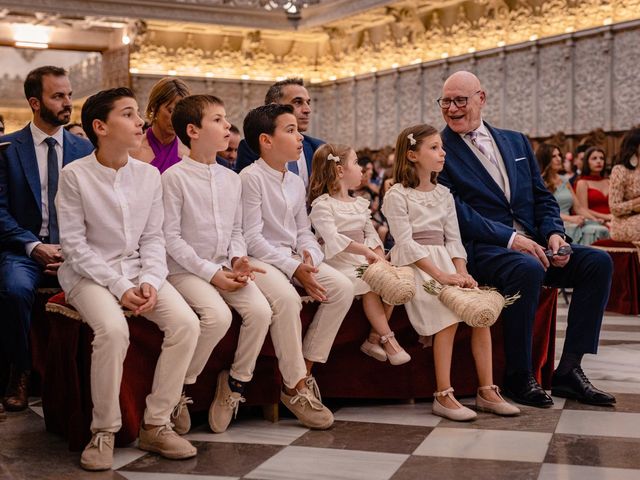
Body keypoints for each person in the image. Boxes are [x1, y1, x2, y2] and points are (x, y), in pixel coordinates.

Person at [437, 71, 615, 408]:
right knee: (527, 268)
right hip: (482, 250)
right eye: (446, 101)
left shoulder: (515, 141)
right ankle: (519, 374)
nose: (452, 108)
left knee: (597, 262)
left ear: (481, 98)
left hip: (535, 243)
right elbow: (455, 211)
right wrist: (511, 238)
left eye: (460, 100)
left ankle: (569, 369)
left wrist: (554, 234)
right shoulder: (439, 149)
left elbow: (542, 196)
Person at [56, 87, 199, 470]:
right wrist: (120, 287)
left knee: (186, 323)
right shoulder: (74, 176)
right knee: (114, 329)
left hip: (139, 270)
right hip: (88, 274)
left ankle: (156, 422)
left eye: (139, 114)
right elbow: (74, 246)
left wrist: (151, 279)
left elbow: (154, 237)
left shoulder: (149, 176)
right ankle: (103, 430)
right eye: (129, 114)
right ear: (100, 127)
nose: (141, 122)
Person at [382, 124, 519, 420]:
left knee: (477, 310)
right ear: (412, 155)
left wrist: (462, 272)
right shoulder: (397, 194)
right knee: (447, 314)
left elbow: (453, 239)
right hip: (415, 266)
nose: (442, 153)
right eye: (433, 148)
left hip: (445, 261)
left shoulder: (444, 193)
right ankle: (443, 395)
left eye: (441, 147)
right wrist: (441, 277)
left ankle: (487, 391)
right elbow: (404, 243)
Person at [240, 103, 354, 429]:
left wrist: (309, 255)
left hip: (292, 257)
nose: (299, 135)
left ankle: (305, 368)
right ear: (266, 140)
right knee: (288, 300)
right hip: (263, 260)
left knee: (342, 288)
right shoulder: (249, 178)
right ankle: (294, 386)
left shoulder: (292, 180)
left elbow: (303, 230)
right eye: (289, 130)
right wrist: (292, 268)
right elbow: (251, 238)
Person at [163, 94, 270, 434]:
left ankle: (235, 384)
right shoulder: (173, 178)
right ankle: (176, 388)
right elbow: (171, 239)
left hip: (224, 265)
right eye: (218, 120)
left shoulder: (231, 178)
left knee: (262, 311)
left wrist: (238, 258)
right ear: (192, 130)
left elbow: (236, 230)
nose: (227, 126)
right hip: (185, 269)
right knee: (217, 316)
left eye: (226, 119)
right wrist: (213, 274)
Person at [0, 66, 93, 412]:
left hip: (75, 250)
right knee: (14, 289)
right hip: (24, 248)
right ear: (35, 103)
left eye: (69, 94)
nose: (68, 102)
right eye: (58, 96)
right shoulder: (7, 148)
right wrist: (34, 246)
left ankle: (80, 378)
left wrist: (73, 250)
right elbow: (0, 210)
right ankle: (19, 373)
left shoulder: (85, 150)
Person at [308, 143, 410, 365]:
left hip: (362, 261)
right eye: (355, 163)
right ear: (340, 171)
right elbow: (332, 238)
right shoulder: (322, 205)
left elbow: (371, 234)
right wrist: (363, 250)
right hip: (339, 263)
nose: (362, 169)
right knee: (369, 282)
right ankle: (388, 340)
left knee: (391, 280)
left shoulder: (359, 204)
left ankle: (373, 339)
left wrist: (379, 258)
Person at [235, 78, 324, 189]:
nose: (307, 110)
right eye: (298, 102)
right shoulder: (251, 147)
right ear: (275, 107)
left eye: (308, 102)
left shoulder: (318, 147)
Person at [536, 143, 609, 245]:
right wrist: (570, 218)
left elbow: (578, 208)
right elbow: (543, 211)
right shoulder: (539, 182)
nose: (558, 159)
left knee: (602, 228)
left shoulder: (565, 180)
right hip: (554, 224)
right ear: (545, 159)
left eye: (559, 155)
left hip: (573, 221)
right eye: (554, 156)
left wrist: (595, 219)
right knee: (595, 231)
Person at [130, 77, 190, 173]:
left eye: (181, 113)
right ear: (154, 107)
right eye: (170, 111)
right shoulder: (133, 149)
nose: (176, 119)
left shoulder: (188, 154)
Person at [609, 127, 640, 242]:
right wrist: (636, 204)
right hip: (623, 223)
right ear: (635, 146)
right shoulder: (620, 170)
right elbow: (614, 208)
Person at [575, 147, 612, 226]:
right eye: (594, 158)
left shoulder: (609, 181)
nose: (599, 161)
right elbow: (583, 209)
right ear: (587, 162)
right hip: (594, 222)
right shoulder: (582, 183)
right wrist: (607, 217)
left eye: (602, 158)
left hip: (614, 221)